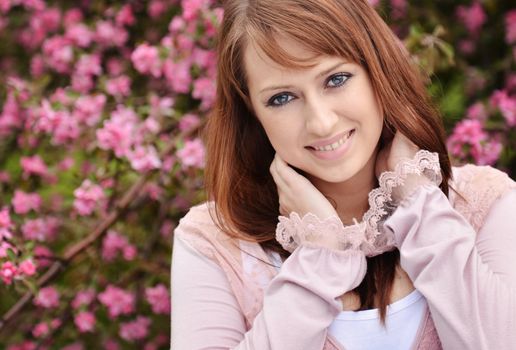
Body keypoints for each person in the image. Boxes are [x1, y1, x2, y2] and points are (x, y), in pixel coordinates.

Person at [171, 0, 516, 349]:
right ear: (252, 113)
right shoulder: (214, 243)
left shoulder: (483, 204)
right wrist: (319, 260)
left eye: (336, 79)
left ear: (377, 70)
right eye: (281, 98)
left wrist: (418, 202)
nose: (321, 122)